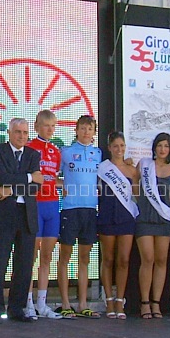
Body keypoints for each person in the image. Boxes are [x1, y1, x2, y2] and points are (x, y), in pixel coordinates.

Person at [0, 117, 44, 322]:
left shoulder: (33, 155)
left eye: (25, 133)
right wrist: (28, 177)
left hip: (26, 215)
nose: (21, 136)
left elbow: (38, 186)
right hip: (3, 215)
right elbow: (2, 177)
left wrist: (11, 188)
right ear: (10, 133)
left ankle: (17, 308)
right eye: (18, 132)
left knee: (24, 264)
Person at [56, 115, 101, 319]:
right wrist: (62, 187)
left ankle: (83, 304)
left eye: (89, 129)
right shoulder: (65, 152)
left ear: (94, 132)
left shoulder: (98, 153)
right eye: (82, 128)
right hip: (70, 209)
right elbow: (50, 175)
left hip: (90, 210)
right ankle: (65, 303)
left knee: (85, 259)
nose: (86, 132)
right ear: (76, 130)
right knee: (64, 257)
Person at [135, 132, 170, 319]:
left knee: (162, 260)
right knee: (148, 259)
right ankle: (144, 302)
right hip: (145, 218)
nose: (163, 149)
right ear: (154, 147)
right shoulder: (144, 165)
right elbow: (134, 185)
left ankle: (156, 303)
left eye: (166, 146)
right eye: (160, 145)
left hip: (164, 219)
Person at [25, 110, 63, 320]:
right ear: (36, 126)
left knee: (47, 256)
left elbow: (54, 178)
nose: (49, 129)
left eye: (53, 126)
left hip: (52, 205)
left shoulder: (56, 152)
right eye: (45, 125)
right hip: (36, 206)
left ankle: (42, 303)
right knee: (31, 256)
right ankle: (28, 302)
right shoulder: (30, 148)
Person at [97, 131, 139, 320]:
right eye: (115, 146)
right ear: (109, 148)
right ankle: (109, 299)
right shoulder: (102, 168)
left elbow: (137, 196)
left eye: (122, 146)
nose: (119, 149)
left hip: (126, 218)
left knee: (123, 260)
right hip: (106, 215)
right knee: (108, 259)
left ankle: (120, 299)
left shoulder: (132, 171)